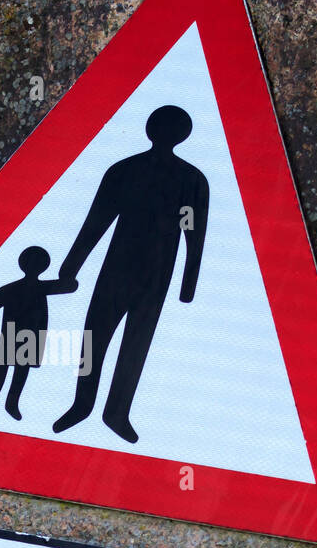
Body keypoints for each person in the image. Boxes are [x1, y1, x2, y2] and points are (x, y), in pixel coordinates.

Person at [52, 105, 209, 443]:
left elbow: (194, 235)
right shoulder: (124, 171)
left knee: (134, 345)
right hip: (117, 272)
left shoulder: (192, 181)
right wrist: (69, 270)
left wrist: (188, 286)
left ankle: (117, 412)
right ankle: (82, 405)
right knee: (95, 340)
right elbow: (96, 223)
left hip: (154, 278)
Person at [0, 246, 76, 420]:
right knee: (2, 367)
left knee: (21, 371)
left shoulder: (43, 287)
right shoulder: (10, 289)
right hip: (10, 335)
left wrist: (71, 268)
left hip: (32, 338)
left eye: (39, 263)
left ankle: (11, 403)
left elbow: (71, 286)